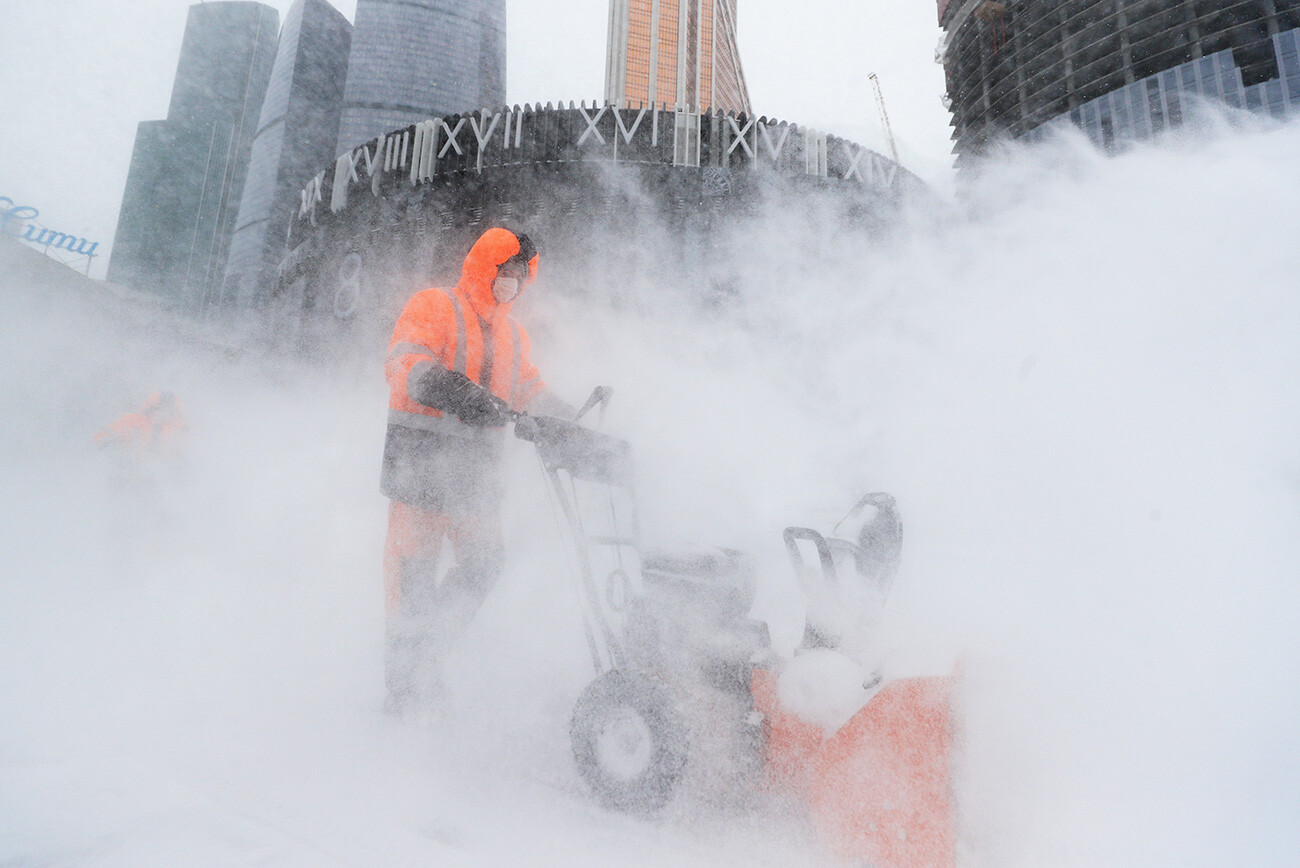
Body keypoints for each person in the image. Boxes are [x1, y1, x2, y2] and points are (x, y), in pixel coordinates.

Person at [380, 227, 571, 714]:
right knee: (413, 583)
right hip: (419, 471)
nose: (510, 285)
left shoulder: (514, 334)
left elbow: (528, 387)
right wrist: (456, 391)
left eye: (518, 278)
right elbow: (406, 363)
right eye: (504, 274)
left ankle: (427, 654)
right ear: (484, 268)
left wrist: (565, 417)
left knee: (485, 564)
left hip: (477, 481)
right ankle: (405, 691)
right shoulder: (434, 306)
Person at [94, 391, 187, 458]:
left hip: (162, 475)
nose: (163, 414)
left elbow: (193, 448)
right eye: (159, 409)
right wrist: (109, 440)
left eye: (168, 411)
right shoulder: (132, 421)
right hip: (132, 471)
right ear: (150, 409)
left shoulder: (178, 429)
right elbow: (103, 436)